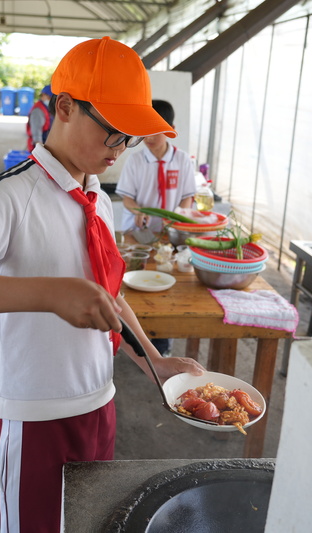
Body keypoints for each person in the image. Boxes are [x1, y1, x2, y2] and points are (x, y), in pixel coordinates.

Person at [0, 37, 205, 532]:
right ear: (64, 107)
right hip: (33, 414)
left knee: (88, 523)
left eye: (129, 138)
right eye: (114, 133)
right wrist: (51, 294)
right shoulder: (14, 194)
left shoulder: (98, 199)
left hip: (97, 400)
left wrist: (153, 359)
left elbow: (110, 299)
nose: (122, 151)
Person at [116, 99, 196, 357]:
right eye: (144, 130)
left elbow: (187, 196)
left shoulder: (182, 160)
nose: (148, 137)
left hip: (168, 237)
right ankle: (135, 342)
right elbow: (127, 197)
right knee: (135, 284)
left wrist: (179, 217)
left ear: (171, 129)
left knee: (165, 285)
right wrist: (138, 210)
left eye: (156, 130)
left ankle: (162, 345)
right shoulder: (136, 161)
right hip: (137, 234)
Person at [26, 84, 54, 151]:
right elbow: (36, 131)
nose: (51, 100)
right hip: (38, 145)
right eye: (49, 97)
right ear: (43, 95)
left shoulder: (46, 108)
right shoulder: (38, 110)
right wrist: (40, 149)